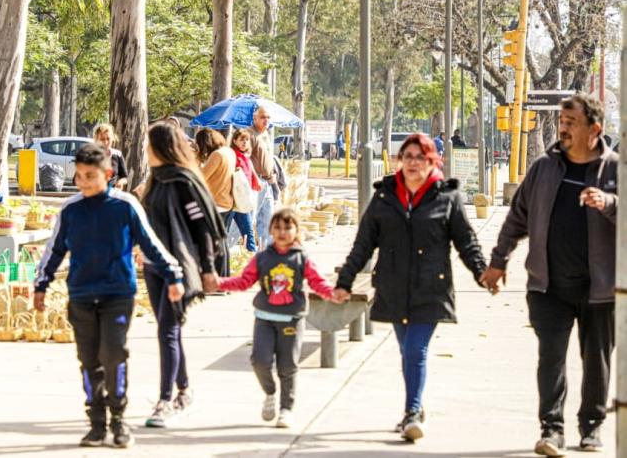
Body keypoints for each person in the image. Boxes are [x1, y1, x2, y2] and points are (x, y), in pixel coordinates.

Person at [479, 94, 618, 456]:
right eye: (562, 120)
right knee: (551, 358)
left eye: (572, 121)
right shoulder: (544, 169)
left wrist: (609, 203)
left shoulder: (614, 169)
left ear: (595, 129)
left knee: (597, 360)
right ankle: (551, 430)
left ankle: (592, 427)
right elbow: (517, 217)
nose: (564, 127)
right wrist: (498, 261)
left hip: (600, 288)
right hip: (549, 285)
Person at [332, 133, 488, 442]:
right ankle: (415, 406)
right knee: (406, 351)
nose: (414, 163)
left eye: (421, 157)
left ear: (433, 162)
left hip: (431, 287)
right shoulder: (384, 196)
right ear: (400, 160)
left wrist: (482, 272)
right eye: (408, 157)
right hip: (393, 286)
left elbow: (466, 241)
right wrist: (344, 282)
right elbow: (363, 244)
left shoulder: (447, 196)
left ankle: (412, 412)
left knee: (416, 349)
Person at [33, 143, 184, 448]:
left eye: (91, 176)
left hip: (117, 293)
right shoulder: (70, 209)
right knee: (89, 360)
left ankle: (118, 419)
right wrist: (41, 284)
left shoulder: (125, 205)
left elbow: (151, 243)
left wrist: (173, 275)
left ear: (109, 174)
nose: (84, 182)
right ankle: (97, 422)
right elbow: (55, 249)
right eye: (79, 176)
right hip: (81, 295)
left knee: (114, 354)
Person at [141, 120, 226, 428]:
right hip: (153, 267)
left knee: (167, 330)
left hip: (180, 268)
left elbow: (203, 227)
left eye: (150, 145)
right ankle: (185, 391)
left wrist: (207, 269)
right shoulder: (155, 180)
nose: (146, 151)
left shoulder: (184, 182)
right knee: (169, 331)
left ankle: (165, 400)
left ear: (162, 147)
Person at [217, 208, 334, 428]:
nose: (281, 232)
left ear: (297, 231)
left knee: (287, 365)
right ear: (270, 229)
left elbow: (318, 282)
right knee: (260, 361)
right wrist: (220, 283)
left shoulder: (302, 259)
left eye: (287, 227)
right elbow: (244, 281)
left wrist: (333, 294)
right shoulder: (262, 258)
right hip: (265, 318)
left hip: (292, 319)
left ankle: (286, 409)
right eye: (277, 227)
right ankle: (270, 393)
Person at [195, 128, 235, 278]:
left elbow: (201, 176)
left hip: (215, 202)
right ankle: (224, 278)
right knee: (221, 242)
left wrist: (196, 159)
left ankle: (219, 281)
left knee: (215, 244)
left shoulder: (216, 155)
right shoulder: (228, 152)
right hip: (226, 201)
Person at [248, 107, 276, 248]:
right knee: (249, 219)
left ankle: (266, 256)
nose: (266, 120)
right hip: (255, 182)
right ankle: (230, 252)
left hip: (267, 182)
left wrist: (272, 174)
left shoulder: (266, 134)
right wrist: (255, 178)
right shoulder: (250, 134)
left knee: (268, 220)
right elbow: (245, 160)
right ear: (255, 118)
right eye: (263, 117)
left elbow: (267, 159)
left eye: (268, 117)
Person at [229, 129, 260, 252]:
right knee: (223, 232)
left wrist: (256, 180)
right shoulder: (232, 155)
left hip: (242, 201)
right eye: (242, 139)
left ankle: (252, 260)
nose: (245, 142)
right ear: (234, 140)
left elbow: (250, 170)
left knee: (248, 232)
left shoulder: (246, 157)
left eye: (247, 140)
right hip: (231, 200)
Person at [93, 123, 128, 190]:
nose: (106, 142)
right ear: (96, 139)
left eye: (108, 139)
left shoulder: (118, 154)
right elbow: (77, 179)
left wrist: (120, 182)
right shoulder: (90, 156)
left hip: (113, 194)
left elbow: (125, 177)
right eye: (102, 139)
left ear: (112, 139)